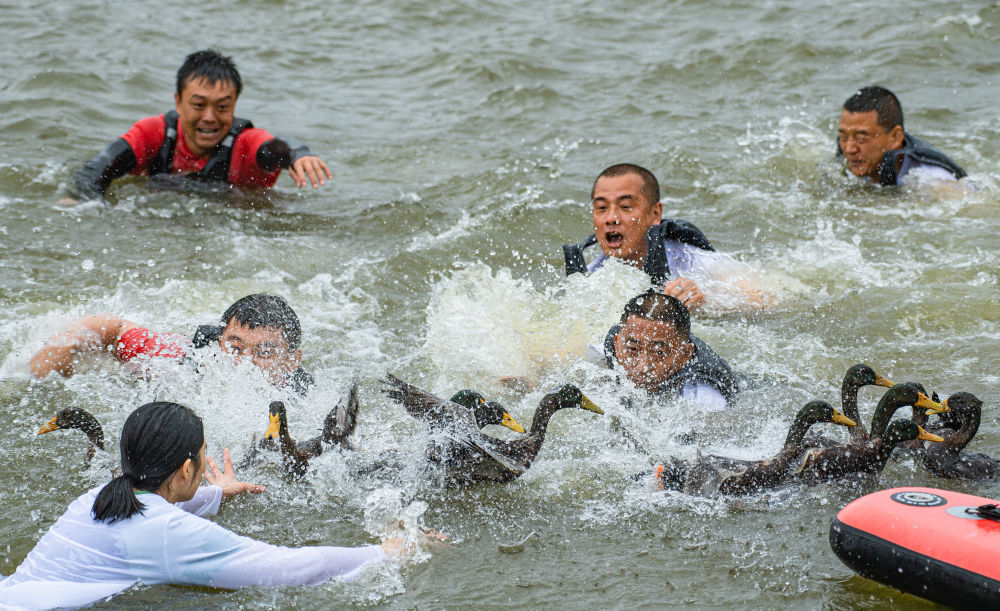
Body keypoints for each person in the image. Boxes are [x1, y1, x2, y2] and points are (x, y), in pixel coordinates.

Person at [0, 401, 405, 608]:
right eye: (202, 456)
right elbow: (286, 568)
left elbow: (152, 516)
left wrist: (216, 492)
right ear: (183, 471)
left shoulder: (94, 499)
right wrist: (384, 553)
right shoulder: (166, 535)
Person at [69, 49, 331, 201]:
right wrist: (82, 204)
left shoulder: (245, 143)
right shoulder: (154, 133)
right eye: (198, 105)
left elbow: (274, 148)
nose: (209, 117)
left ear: (235, 105)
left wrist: (299, 154)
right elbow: (97, 170)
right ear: (178, 101)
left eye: (222, 107)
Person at [562, 163, 770, 312]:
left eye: (625, 207)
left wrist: (706, 302)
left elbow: (768, 300)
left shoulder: (696, 263)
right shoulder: (590, 279)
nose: (611, 218)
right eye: (601, 208)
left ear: (655, 214)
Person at [29, 293, 314, 395]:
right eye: (235, 348)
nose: (244, 363)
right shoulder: (185, 361)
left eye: (264, 352)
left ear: (292, 360)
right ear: (219, 344)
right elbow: (107, 327)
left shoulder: (309, 402)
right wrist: (43, 378)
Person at [601, 290, 739, 411]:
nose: (643, 367)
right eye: (633, 349)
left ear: (685, 354)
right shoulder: (618, 340)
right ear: (617, 344)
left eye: (659, 353)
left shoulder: (702, 396)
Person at [837, 86, 966, 186]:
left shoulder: (930, 180)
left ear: (895, 137)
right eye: (844, 137)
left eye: (861, 138)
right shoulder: (849, 158)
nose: (849, 149)